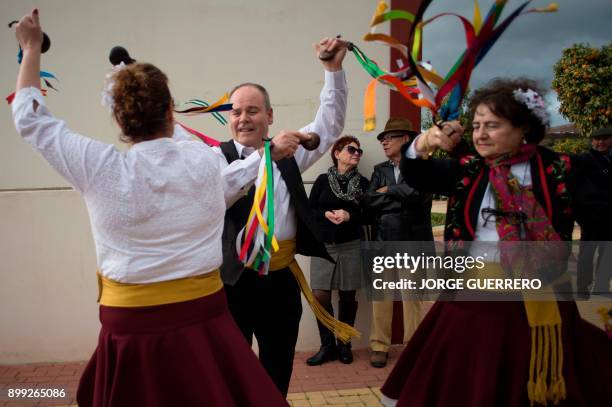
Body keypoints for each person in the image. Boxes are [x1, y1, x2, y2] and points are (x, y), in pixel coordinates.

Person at [11, 10, 287, 407]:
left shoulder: (99, 167)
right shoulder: (204, 161)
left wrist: (31, 48)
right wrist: (135, 79)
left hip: (131, 329)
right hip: (204, 319)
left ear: (120, 118)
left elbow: (30, 121)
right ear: (171, 111)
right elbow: (210, 155)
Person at [380, 78, 612, 406]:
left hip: (542, 301)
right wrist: (424, 143)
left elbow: (599, 219)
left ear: (524, 128)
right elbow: (418, 174)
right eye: (476, 125)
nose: (481, 134)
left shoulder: (558, 169)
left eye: (493, 125)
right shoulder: (471, 168)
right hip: (474, 304)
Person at [213, 37, 348, 396]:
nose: (244, 119)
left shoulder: (289, 153)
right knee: (232, 372)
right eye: (236, 111)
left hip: (280, 282)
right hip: (232, 283)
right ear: (228, 118)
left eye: (253, 110)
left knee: (277, 367)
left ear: (269, 116)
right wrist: (264, 159)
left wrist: (332, 72)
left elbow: (329, 127)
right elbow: (216, 198)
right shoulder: (213, 159)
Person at [363, 117, 433, 368]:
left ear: (406, 139)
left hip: (412, 242)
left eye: (389, 137)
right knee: (380, 298)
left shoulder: (422, 166)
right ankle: (379, 345)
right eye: (382, 138)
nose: (384, 142)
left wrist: (388, 192)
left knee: (411, 298)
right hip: (383, 241)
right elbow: (370, 200)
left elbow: (417, 195)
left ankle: (412, 347)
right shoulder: (380, 170)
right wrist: (397, 195)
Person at [306, 136, 369, 365]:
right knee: (319, 295)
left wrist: (350, 215)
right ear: (337, 153)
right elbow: (309, 210)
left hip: (351, 245)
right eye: (351, 149)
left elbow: (371, 214)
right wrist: (325, 214)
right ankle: (327, 345)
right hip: (324, 245)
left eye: (359, 151)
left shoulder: (363, 184)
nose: (356, 153)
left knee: (347, 295)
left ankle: (344, 343)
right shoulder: (323, 180)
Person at [574, 127, 612, 296]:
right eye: (597, 139)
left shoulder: (609, 160)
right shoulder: (584, 160)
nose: (600, 142)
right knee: (587, 254)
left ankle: (601, 286)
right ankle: (583, 288)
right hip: (591, 218)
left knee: (608, 254)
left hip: (609, 217)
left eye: (604, 138)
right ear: (592, 141)